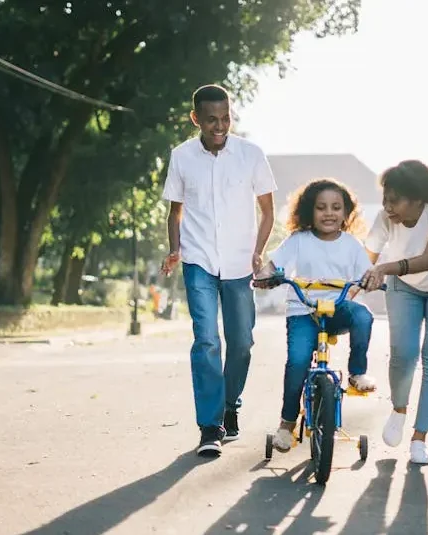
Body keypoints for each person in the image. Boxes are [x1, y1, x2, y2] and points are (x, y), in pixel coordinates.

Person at [160, 84, 277, 457]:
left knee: (241, 342)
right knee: (207, 340)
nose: (220, 126)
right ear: (196, 119)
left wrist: (259, 251)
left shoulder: (251, 154)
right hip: (198, 261)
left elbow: (268, 210)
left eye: (225, 118)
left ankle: (230, 406)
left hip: (240, 263)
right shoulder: (181, 157)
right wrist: (176, 249)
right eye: (211, 120)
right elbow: (175, 212)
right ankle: (210, 426)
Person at [254, 178, 377, 453]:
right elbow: (273, 265)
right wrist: (265, 276)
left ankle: (357, 373)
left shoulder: (352, 245)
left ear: (346, 213)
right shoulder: (298, 240)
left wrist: (372, 280)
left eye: (336, 207)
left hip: (337, 309)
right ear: (310, 211)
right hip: (303, 310)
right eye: (321, 207)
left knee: (363, 317)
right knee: (298, 362)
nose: (329, 213)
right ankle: (286, 425)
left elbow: (366, 273)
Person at [361, 160, 428, 465]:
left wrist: (383, 268)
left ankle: (420, 438)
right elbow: (364, 260)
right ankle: (398, 409)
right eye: (385, 198)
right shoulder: (386, 218)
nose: (387, 206)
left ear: (419, 198)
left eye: (394, 200)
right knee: (404, 353)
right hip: (404, 287)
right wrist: (351, 287)